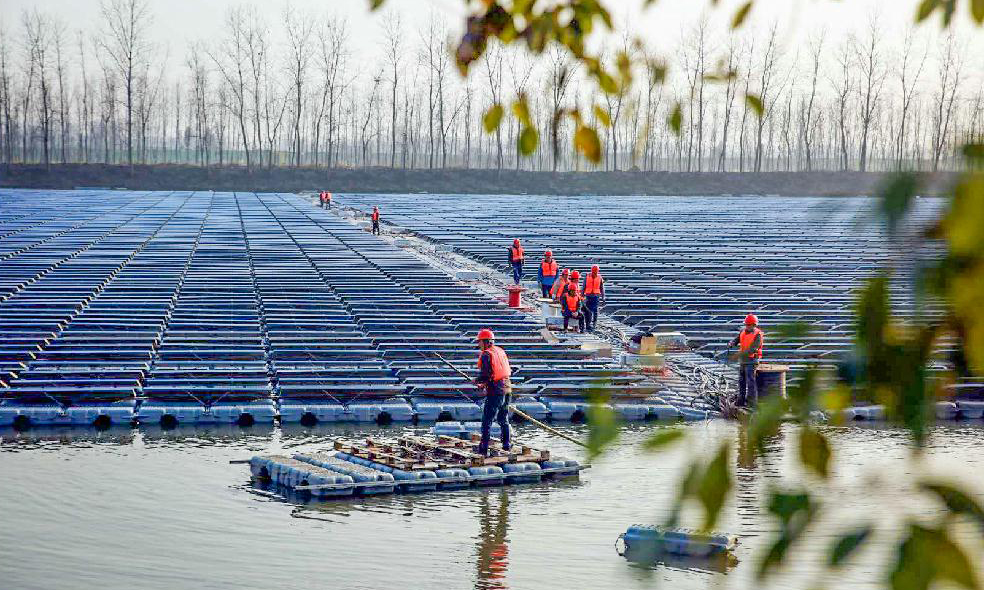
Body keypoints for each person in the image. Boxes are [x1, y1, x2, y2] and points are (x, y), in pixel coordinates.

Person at [474, 329, 512, 456]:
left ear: (486, 342)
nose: (478, 345)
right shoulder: (500, 351)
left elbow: (486, 375)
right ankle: (506, 445)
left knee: (486, 421)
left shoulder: (486, 354)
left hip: (496, 392)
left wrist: (478, 381)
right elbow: (495, 373)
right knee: (503, 419)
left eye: (479, 342)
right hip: (507, 389)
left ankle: (483, 449)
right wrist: (484, 382)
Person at [729, 314, 763, 407]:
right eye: (746, 324)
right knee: (741, 381)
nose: (747, 326)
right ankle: (741, 401)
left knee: (750, 382)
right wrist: (732, 343)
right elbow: (737, 339)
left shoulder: (758, 335)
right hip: (743, 361)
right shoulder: (743, 332)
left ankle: (752, 404)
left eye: (749, 325)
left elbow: (753, 349)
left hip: (752, 361)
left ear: (754, 325)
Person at [582, 264, 606, 332]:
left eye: (596, 272)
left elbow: (602, 288)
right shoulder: (587, 276)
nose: (595, 273)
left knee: (595, 311)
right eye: (594, 271)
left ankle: (594, 324)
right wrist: (582, 295)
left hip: (596, 296)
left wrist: (603, 296)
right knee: (587, 311)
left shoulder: (599, 278)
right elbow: (584, 286)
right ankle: (588, 324)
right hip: (588, 296)